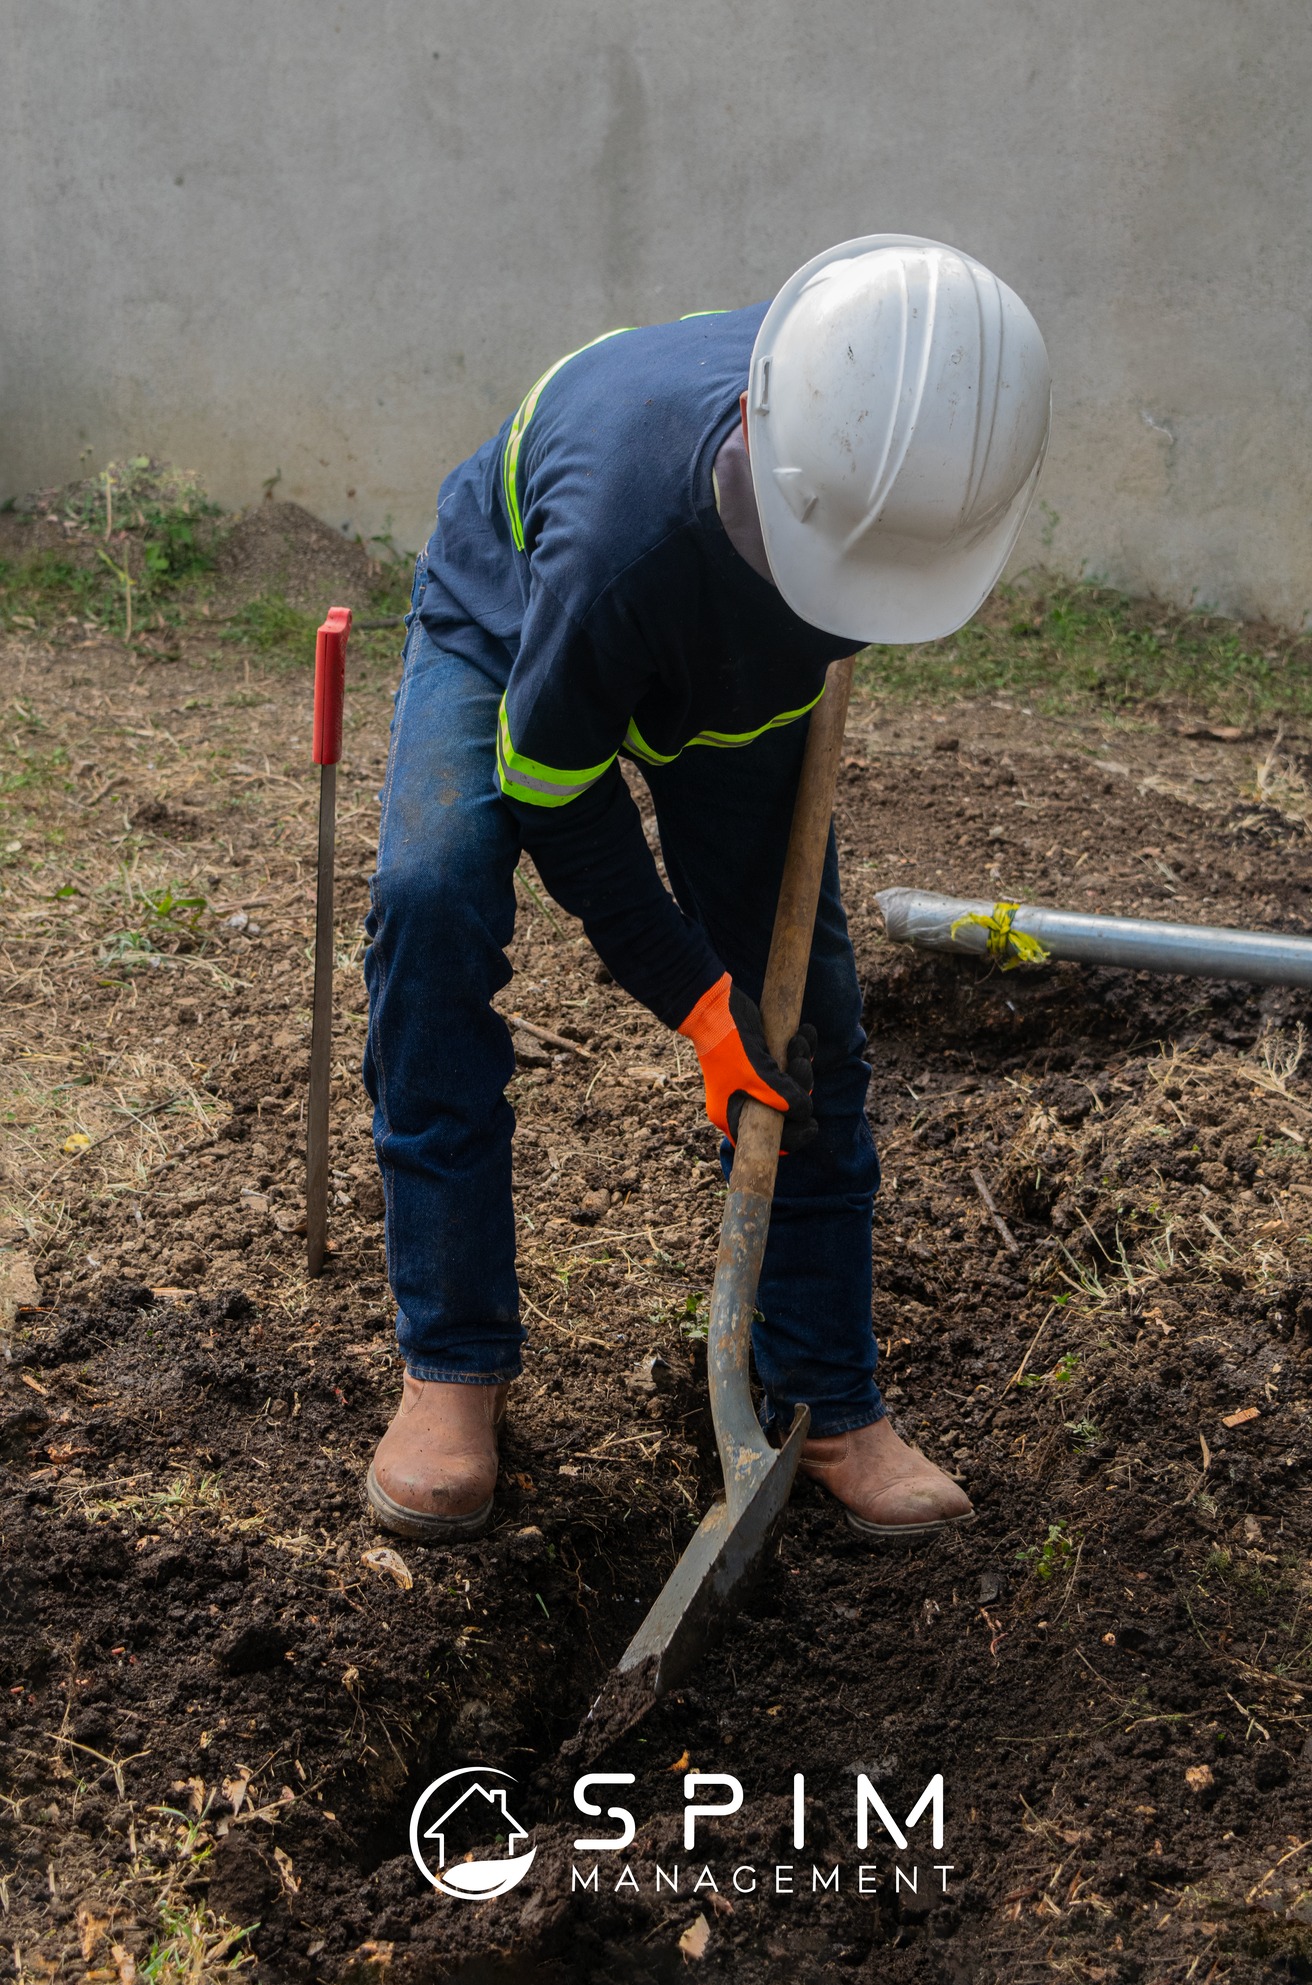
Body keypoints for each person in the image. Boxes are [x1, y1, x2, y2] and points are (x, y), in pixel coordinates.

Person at [363, 234, 1051, 1545]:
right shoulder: (622, 535)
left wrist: (747, 1005)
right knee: (430, 903)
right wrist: (691, 999)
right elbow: (556, 794)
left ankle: (823, 1393)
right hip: (520, 596)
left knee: (810, 1015)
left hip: (748, 683)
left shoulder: (922, 399)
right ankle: (452, 1367)